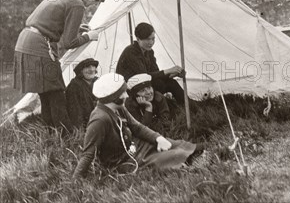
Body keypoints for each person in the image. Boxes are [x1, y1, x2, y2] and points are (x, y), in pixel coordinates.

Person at [13, 0, 109, 133]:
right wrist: (88, 37)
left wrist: (78, 29)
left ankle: (52, 134)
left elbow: (50, 23)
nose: (95, 4)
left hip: (26, 42)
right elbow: (67, 43)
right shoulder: (78, 4)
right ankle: (67, 136)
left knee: (46, 95)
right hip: (39, 46)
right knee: (57, 95)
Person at [73, 74, 201, 178]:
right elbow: (88, 154)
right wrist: (75, 182)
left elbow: (137, 127)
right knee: (173, 156)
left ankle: (196, 155)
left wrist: (158, 138)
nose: (127, 96)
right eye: (123, 93)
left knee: (177, 144)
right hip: (124, 161)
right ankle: (191, 164)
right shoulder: (99, 119)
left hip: (136, 146)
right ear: (114, 98)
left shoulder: (119, 107)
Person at [116, 23, 186, 105]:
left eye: (153, 39)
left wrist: (172, 74)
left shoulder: (149, 52)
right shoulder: (131, 51)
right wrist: (168, 71)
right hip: (131, 88)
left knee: (170, 81)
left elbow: (155, 72)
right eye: (148, 39)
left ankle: (188, 106)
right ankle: (189, 107)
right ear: (138, 39)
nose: (151, 42)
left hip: (144, 85)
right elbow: (144, 76)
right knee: (166, 83)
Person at [65, 58, 99, 128]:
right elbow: (75, 111)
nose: (92, 69)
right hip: (85, 123)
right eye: (88, 67)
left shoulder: (98, 81)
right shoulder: (74, 85)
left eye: (93, 66)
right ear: (81, 71)